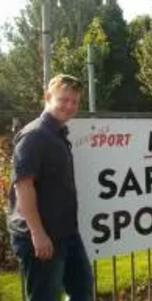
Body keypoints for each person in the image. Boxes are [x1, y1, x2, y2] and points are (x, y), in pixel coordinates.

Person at [8, 74, 93, 301]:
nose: (70, 106)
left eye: (74, 101)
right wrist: (38, 234)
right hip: (42, 237)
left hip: (66, 234)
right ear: (48, 97)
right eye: (64, 99)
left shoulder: (56, 133)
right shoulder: (35, 135)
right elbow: (23, 187)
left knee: (83, 291)